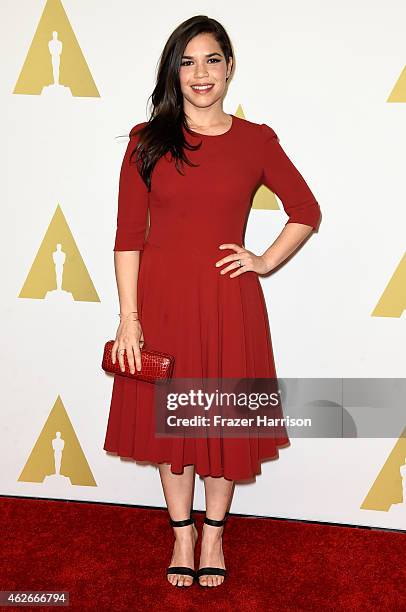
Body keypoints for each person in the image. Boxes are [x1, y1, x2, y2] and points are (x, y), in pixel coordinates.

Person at [103, 15, 321, 589]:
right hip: (163, 304)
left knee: (222, 425)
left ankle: (215, 533)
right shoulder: (146, 141)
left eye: (212, 60)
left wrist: (264, 260)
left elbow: (306, 210)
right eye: (188, 61)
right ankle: (181, 534)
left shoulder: (257, 140)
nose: (201, 73)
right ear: (174, 70)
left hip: (229, 306)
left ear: (229, 67)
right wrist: (130, 320)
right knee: (172, 432)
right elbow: (129, 236)